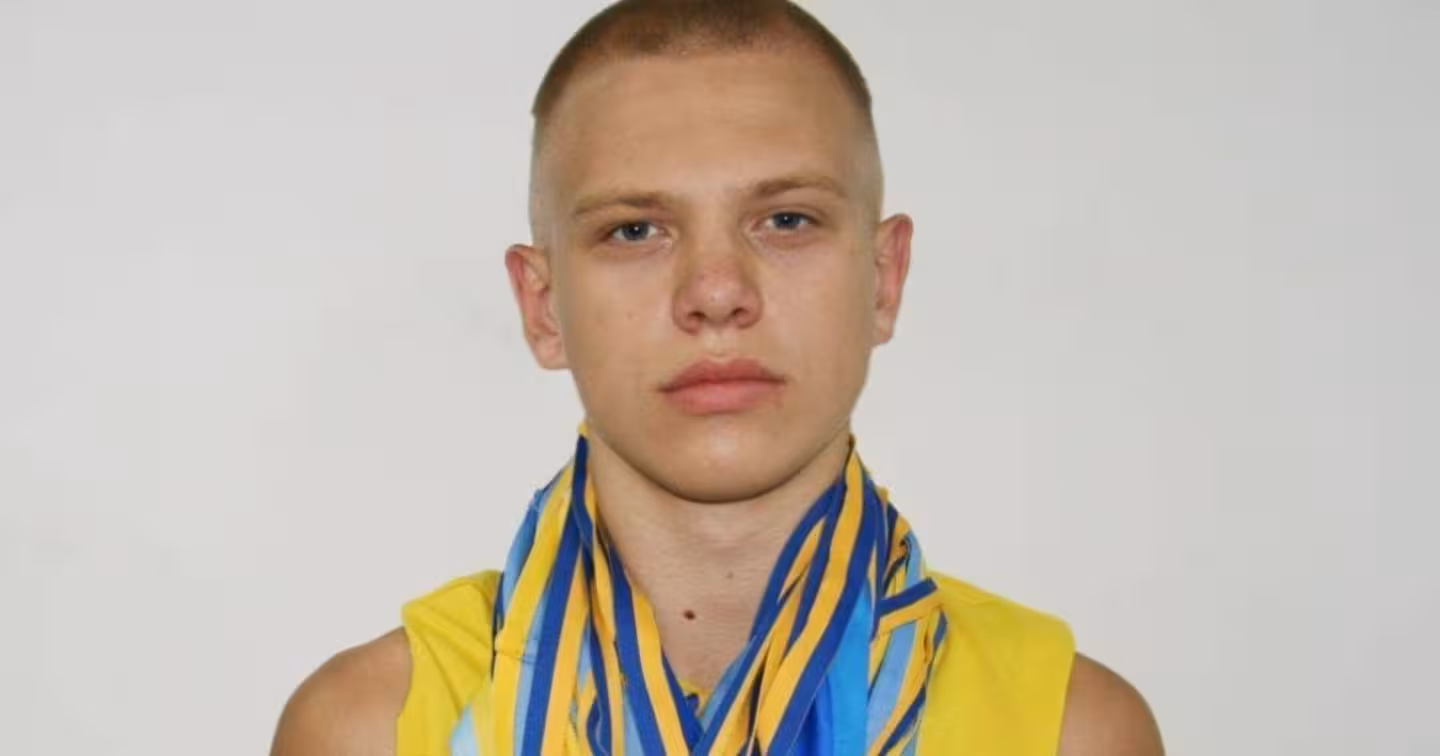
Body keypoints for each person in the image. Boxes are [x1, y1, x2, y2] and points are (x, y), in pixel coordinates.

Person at [271, 1, 1164, 754]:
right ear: (543, 308)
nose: (716, 292)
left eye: (786, 219)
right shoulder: (370, 730)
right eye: (635, 231)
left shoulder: (1069, 729)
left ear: (884, 280)